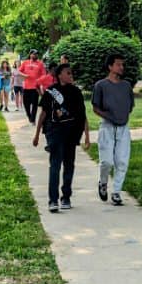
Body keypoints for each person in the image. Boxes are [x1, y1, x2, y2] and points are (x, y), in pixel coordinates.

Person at [33, 64, 90, 212]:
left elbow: (83, 116)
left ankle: (66, 197)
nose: (71, 75)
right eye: (68, 73)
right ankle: (53, 200)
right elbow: (43, 114)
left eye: (72, 73)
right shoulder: (51, 92)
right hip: (55, 132)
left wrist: (87, 137)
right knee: (55, 165)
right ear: (59, 75)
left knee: (69, 165)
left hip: (71, 134)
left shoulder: (76, 92)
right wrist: (37, 134)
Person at [92, 53, 135, 206]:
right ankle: (103, 183)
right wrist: (109, 116)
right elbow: (95, 108)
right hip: (107, 127)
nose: (121, 67)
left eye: (122, 65)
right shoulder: (101, 86)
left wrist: (122, 116)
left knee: (122, 161)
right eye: (118, 64)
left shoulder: (126, 86)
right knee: (107, 162)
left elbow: (130, 106)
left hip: (123, 128)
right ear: (110, 66)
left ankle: (116, 191)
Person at [19, 49, 45, 124]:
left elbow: (43, 74)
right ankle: (29, 115)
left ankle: (33, 119)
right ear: (30, 54)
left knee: (34, 104)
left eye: (36, 54)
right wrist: (24, 75)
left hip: (35, 88)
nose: (35, 55)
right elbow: (19, 71)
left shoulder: (40, 64)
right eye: (33, 54)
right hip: (26, 87)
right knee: (26, 103)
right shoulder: (25, 62)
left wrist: (40, 81)